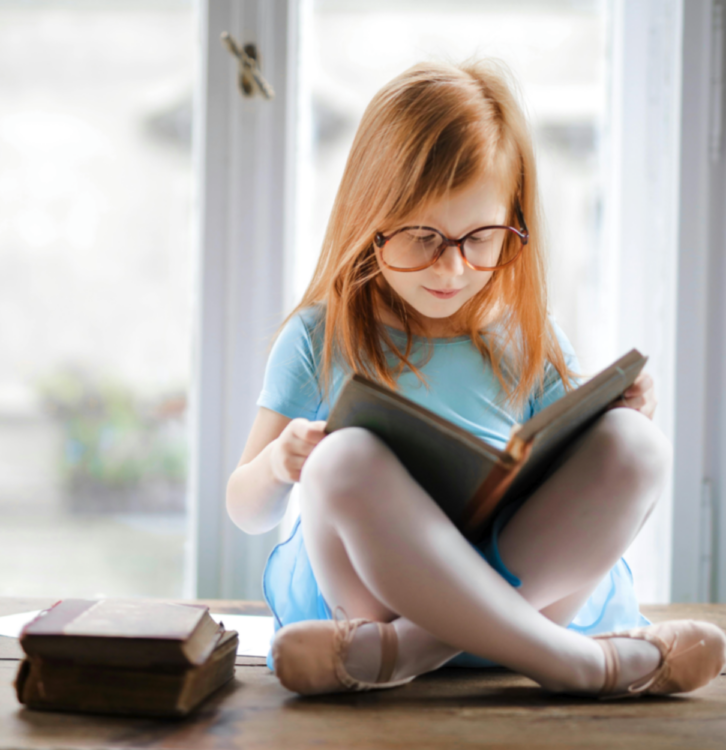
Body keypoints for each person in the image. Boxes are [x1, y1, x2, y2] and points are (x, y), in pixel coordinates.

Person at [226, 60, 726, 698]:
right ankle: (579, 665)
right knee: (340, 460)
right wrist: (279, 464)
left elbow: (580, 470)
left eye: (481, 237)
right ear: (368, 218)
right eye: (422, 237)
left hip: (511, 596)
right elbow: (244, 510)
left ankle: (412, 651)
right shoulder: (321, 337)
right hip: (374, 597)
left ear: (512, 222)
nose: (453, 268)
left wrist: (623, 411)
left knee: (637, 444)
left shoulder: (526, 334)